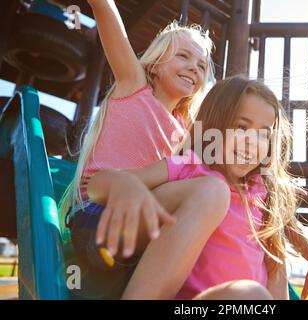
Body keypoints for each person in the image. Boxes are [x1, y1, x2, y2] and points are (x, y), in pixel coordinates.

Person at [88, 76, 308, 299]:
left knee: (257, 290)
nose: (252, 142)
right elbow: (96, 185)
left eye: (264, 135)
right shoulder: (191, 166)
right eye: (242, 127)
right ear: (215, 124)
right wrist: (127, 187)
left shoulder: (262, 193)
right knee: (251, 294)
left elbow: (285, 230)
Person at [60, 0, 231, 299]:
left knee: (214, 192)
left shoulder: (187, 133)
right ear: (154, 64)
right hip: (98, 215)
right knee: (209, 191)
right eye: (183, 56)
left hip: (143, 227)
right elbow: (107, 16)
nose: (194, 66)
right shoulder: (134, 87)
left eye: (202, 65)